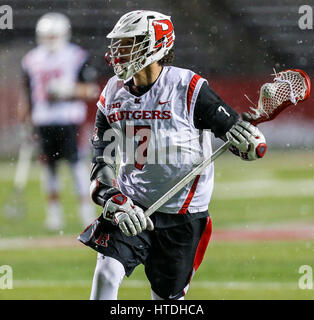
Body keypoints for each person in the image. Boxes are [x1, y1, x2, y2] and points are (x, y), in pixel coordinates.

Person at [78, 10, 267, 300]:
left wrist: (249, 143)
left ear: (155, 45)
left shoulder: (187, 87)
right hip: (133, 205)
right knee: (106, 273)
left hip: (182, 216)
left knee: (166, 300)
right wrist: (115, 200)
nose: (118, 51)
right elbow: (101, 162)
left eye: (128, 43)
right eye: (118, 44)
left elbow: (234, 134)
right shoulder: (113, 92)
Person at [20, 12, 99, 231]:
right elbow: (27, 93)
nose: (51, 41)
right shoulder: (31, 59)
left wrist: (69, 90)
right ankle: (54, 216)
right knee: (49, 169)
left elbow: (91, 89)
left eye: (55, 36)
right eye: (48, 36)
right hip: (43, 121)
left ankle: (86, 212)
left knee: (76, 166)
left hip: (68, 120)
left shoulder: (76, 56)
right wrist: (26, 119)